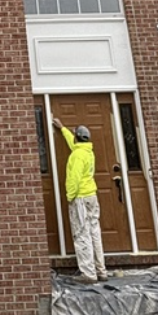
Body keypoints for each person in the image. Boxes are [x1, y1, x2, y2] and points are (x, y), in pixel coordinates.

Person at [53, 116, 107, 283]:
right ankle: (101, 271)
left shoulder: (77, 156)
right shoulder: (87, 152)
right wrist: (63, 129)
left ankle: (88, 274)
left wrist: (70, 197)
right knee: (94, 232)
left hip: (81, 198)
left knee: (82, 234)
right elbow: (73, 144)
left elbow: (73, 178)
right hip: (91, 196)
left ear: (77, 137)